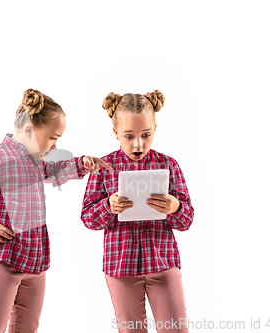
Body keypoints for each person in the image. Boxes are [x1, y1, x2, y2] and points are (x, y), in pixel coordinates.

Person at [0, 88, 113, 333]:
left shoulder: (33, 161)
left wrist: (80, 164)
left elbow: (52, 170)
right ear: (30, 129)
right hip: (1, 261)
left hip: (34, 262)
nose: (54, 145)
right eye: (53, 137)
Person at [81, 90, 194, 333]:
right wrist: (108, 206)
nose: (138, 144)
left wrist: (174, 207)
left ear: (155, 128)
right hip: (120, 266)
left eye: (146, 135)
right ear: (116, 133)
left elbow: (187, 220)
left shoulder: (168, 165)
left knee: (175, 329)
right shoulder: (103, 168)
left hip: (163, 262)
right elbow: (87, 218)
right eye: (129, 136)